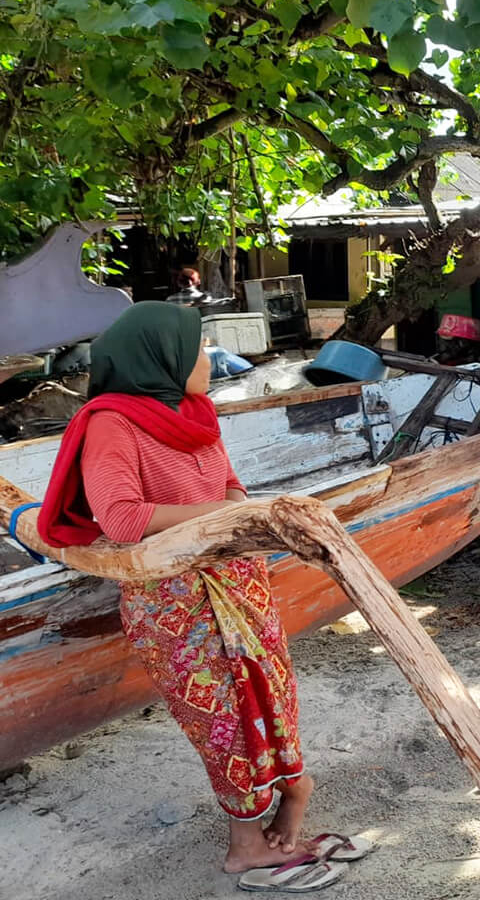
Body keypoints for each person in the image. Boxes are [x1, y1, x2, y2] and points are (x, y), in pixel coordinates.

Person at [35, 303, 348, 890]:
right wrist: (232, 513)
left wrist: (235, 503)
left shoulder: (196, 411)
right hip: (174, 601)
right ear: (161, 357)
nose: (207, 357)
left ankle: (291, 796)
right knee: (224, 720)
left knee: (271, 694)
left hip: (238, 582)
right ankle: (246, 847)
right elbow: (123, 519)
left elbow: (228, 480)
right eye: (197, 347)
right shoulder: (113, 422)